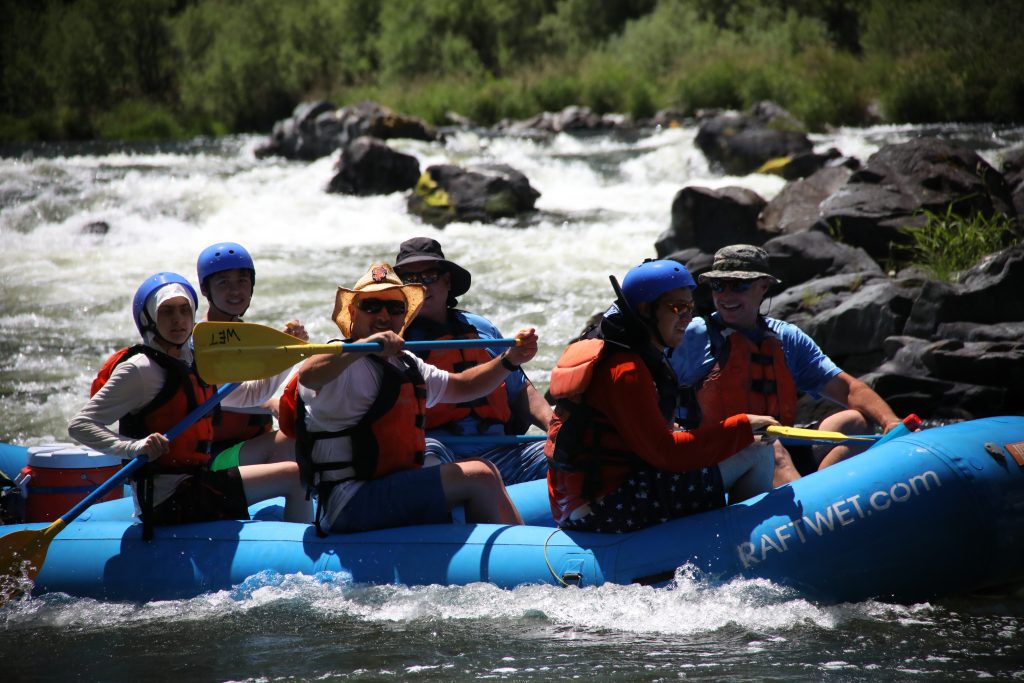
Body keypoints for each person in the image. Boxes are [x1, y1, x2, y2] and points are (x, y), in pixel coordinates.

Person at [290, 262, 530, 534]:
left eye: (394, 308)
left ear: (404, 317)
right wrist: (361, 347)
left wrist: (509, 361)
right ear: (352, 312)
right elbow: (309, 374)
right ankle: (526, 554)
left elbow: (462, 387)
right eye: (372, 306)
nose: (384, 315)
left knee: (472, 468)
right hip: (349, 502)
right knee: (480, 475)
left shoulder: (405, 362)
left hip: (391, 487)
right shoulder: (340, 360)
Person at [546, 259, 779, 533]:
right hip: (605, 507)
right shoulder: (625, 370)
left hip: (580, 501)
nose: (687, 318)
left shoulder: (619, 351)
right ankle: (740, 546)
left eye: (690, 308)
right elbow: (666, 453)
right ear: (646, 310)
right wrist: (742, 427)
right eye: (678, 308)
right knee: (757, 451)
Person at [69, 272, 310, 538]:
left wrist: (290, 351)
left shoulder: (196, 362)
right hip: (165, 500)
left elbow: (251, 395)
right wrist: (133, 447)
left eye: (185, 310)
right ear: (149, 319)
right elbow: (80, 425)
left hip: (197, 481)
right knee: (295, 477)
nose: (178, 320)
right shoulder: (140, 370)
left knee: (293, 468)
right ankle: (297, 550)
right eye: (167, 312)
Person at [670, 244, 903, 485]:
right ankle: (810, 511)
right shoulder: (692, 335)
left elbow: (847, 389)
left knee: (855, 422)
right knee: (767, 445)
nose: (726, 295)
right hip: (718, 455)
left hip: (779, 446)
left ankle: (819, 499)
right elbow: (650, 389)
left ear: (764, 287)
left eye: (739, 285)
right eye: (719, 285)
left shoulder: (787, 338)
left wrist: (891, 422)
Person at [393, 237, 551, 484]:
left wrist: (555, 428)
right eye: (410, 279)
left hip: (501, 453)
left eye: (429, 276)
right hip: (441, 454)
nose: (420, 286)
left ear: (447, 281)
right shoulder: (395, 341)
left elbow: (520, 390)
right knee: (427, 452)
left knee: (565, 456)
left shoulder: (482, 328)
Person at [195, 241, 308, 472]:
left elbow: (245, 396)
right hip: (211, 459)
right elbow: (250, 395)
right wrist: (288, 352)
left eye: (242, 281)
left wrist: (288, 349)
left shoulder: (248, 336)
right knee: (294, 442)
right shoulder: (198, 346)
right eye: (224, 282)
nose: (235, 291)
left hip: (247, 446)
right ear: (205, 290)